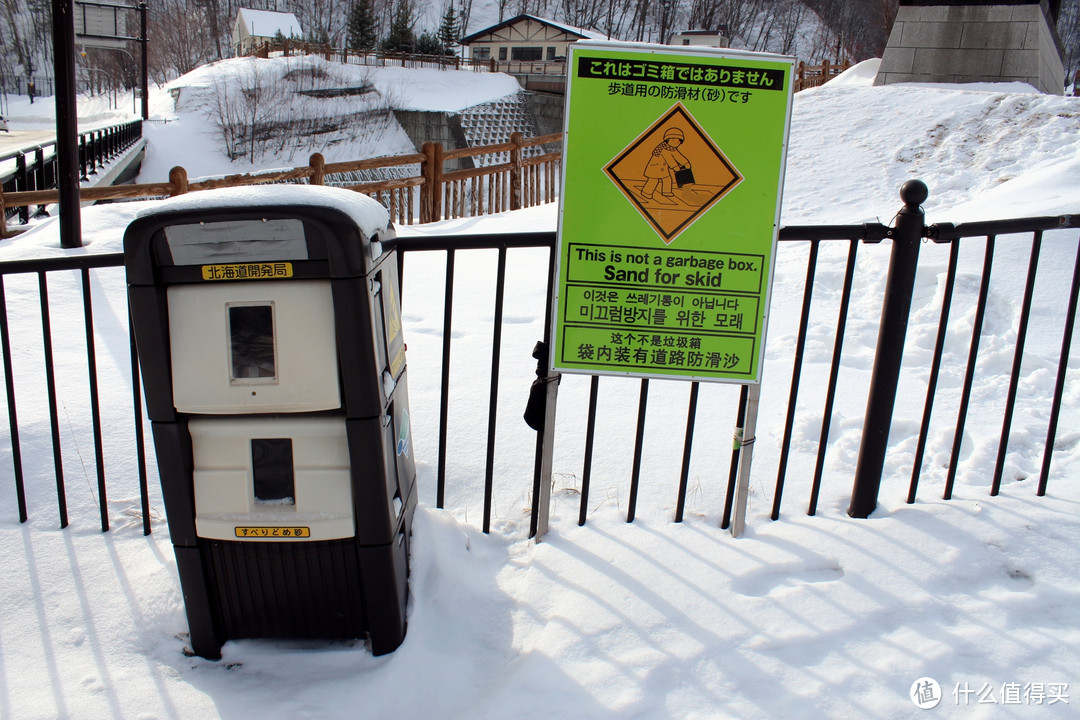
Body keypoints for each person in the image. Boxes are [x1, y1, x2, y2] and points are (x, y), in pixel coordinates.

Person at [641, 127, 690, 200]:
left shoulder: (673, 149)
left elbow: (679, 156)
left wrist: (686, 163)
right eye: (673, 140)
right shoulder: (663, 149)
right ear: (668, 140)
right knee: (653, 181)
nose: (676, 143)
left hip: (663, 170)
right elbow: (669, 159)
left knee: (667, 179)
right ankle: (646, 192)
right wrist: (675, 167)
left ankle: (666, 192)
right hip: (654, 168)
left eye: (678, 141)